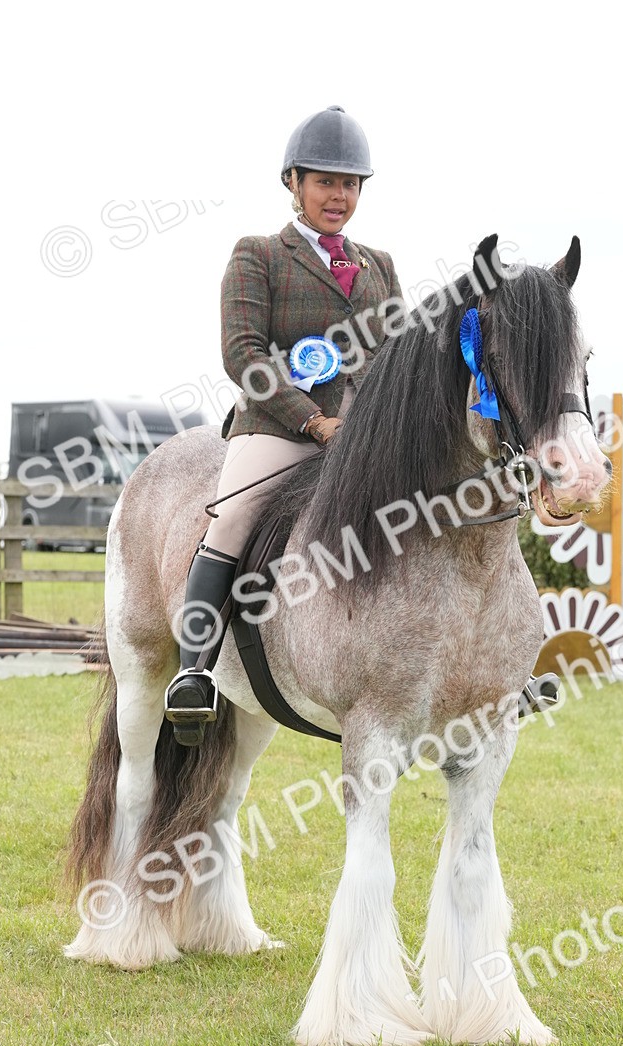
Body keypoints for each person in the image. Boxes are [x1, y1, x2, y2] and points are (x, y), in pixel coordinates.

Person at [164, 106, 402, 746]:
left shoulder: (378, 264)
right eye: (326, 182)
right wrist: (315, 422)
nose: (340, 196)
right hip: (279, 427)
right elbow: (244, 354)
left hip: (368, 432)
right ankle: (193, 673)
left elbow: (399, 358)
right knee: (234, 516)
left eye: (350, 184)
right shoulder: (260, 255)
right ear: (294, 182)